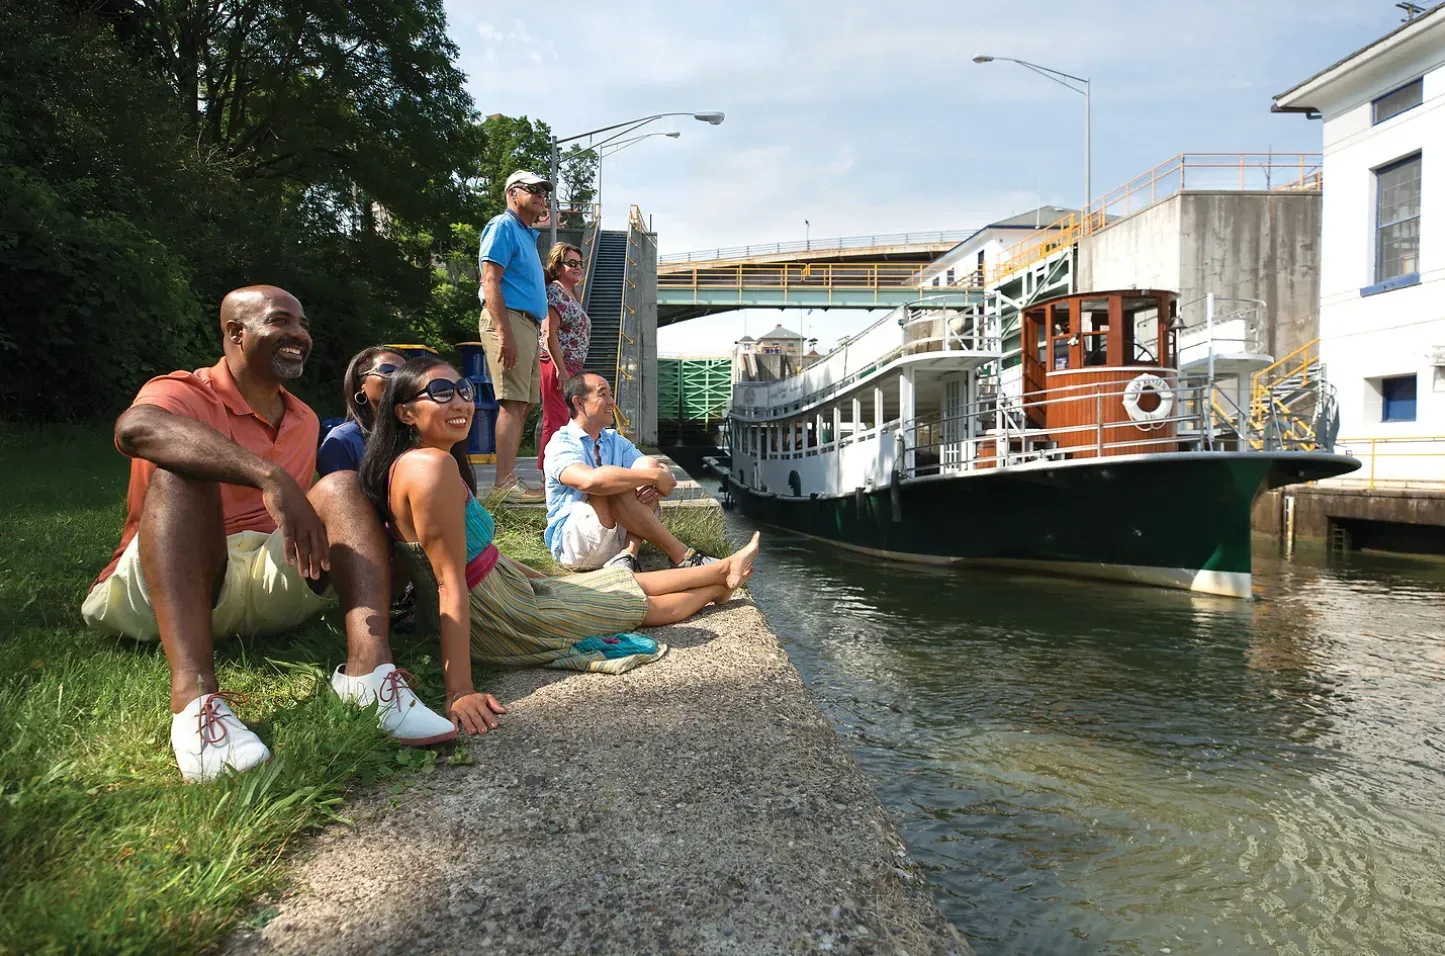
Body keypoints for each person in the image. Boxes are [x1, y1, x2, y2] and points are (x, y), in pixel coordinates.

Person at [81, 287, 455, 783]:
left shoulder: (301, 418)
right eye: (281, 321)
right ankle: (196, 706)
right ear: (235, 332)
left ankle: (371, 676)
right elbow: (136, 427)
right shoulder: (185, 391)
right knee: (180, 473)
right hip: (166, 586)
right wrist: (268, 475)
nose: (299, 335)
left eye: (303, 325)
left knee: (341, 485)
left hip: (263, 577)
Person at [358, 357, 760, 736]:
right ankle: (717, 586)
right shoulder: (432, 467)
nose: (460, 401)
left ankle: (720, 571)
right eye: (441, 392)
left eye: (462, 389)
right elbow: (449, 583)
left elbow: (475, 557)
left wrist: (535, 580)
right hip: (496, 615)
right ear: (406, 412)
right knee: (625, 605)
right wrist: (459, 690)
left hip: (502, 588)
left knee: (601, 586)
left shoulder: (418, 461)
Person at [543, 373, 719, 574]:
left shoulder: (614, 441)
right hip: (575, 544)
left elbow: (666, 483)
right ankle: (681, 555)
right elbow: (589, 482)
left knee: (647, 464)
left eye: (611, 394)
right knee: (613, 482)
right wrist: (651, 477)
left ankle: (628, 556)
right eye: (603, 395)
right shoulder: (561, 443)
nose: (612, 402)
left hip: (615, 538)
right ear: (579, 403)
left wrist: (651, 478)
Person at [478, 169, 551, 501]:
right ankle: (503, 483)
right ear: (512, 193)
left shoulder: (526, 234)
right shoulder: (503, 226)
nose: (540, 195)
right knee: (511, 402)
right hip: (510, 321)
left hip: (526, 324)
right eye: (533, 189)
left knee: (521, 404)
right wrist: (504, 332)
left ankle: (508, 481)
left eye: (544, 192)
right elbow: (490, 280)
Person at [536, 242, 591, 474]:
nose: (578, 267)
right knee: (555, 419)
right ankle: (548, 475)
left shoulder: (572, 294)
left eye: (580, 263)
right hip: (557, 364)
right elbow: (549, 333)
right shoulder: (556, 291)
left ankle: (562, 470)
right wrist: (561, 369)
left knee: (566, 420)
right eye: (572, 263)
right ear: (558, 267)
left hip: (571, 365)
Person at [316, 346, 406, 476]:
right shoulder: (343, 441)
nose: (398, 378)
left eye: (405, 372)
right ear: (361, 384)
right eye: (388, 370)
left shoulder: (415, 437)